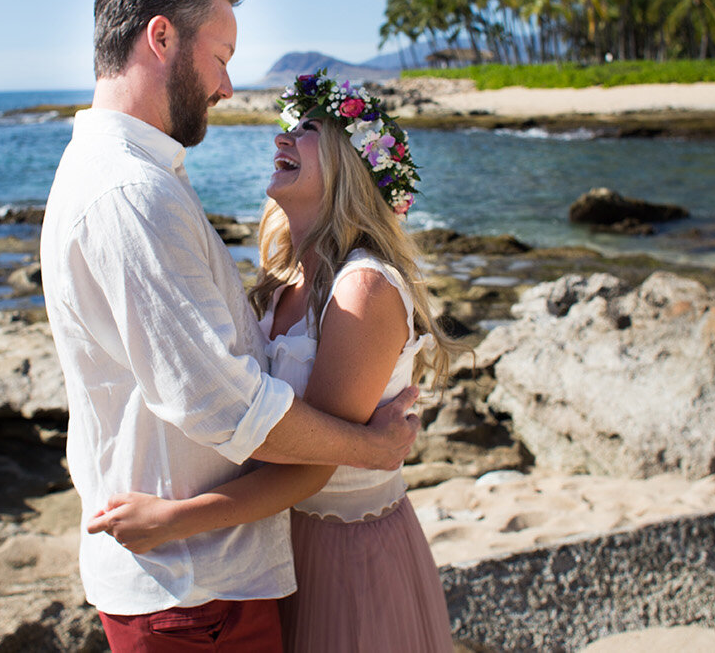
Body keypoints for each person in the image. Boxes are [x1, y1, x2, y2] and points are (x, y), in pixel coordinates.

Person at [40, 0, 422, 652]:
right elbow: (227, 404)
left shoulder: (130, 176)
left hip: (208, 577)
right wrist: (371, 446)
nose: (227, 83)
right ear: (161, 39)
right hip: (194, 589)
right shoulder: (130, 191)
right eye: (220, 56)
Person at [91, 70, 466, 652]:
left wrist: (173, 520)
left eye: (308, 128)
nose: (281, 138)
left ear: (350, 164)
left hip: (343, 551)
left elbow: (313, 462)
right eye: (287, 126)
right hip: (272, 543)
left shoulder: (361, 289)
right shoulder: (282, 278)